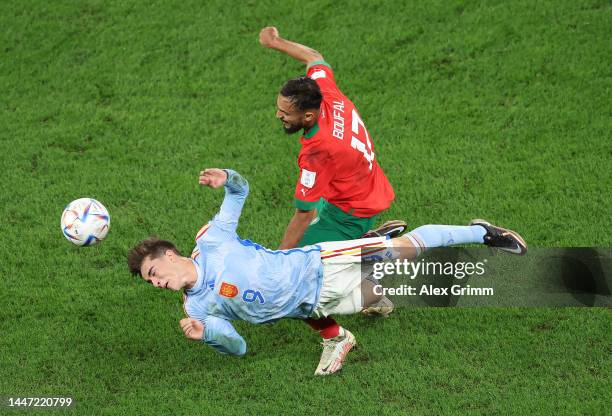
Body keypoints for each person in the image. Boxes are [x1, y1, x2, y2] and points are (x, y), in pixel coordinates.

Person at [127, 169, 527, 376]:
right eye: (150, 280)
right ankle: (369, 251)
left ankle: (483, 232)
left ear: (169, 254)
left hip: (319, 262)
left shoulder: (213, 239)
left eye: (153, 270)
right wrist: (208, 333)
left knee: (404, 253)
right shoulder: (197, 311)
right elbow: (239, 348)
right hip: (314, 302)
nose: (155, 281)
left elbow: (239, 191)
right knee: (378, 298)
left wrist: (226, 178)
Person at [259, 26, 405, 322]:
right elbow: (314, 57)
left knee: (307, 264)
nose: (279, 116)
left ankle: (374, 289)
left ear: (308, 116)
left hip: (350, 210)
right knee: (318, 249)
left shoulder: (317, 151)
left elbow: (303, 213)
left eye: (286, 113)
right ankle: (365, 242)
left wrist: (280, 258)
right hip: (358, 184)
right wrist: (276, 42)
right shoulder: (324, 92)